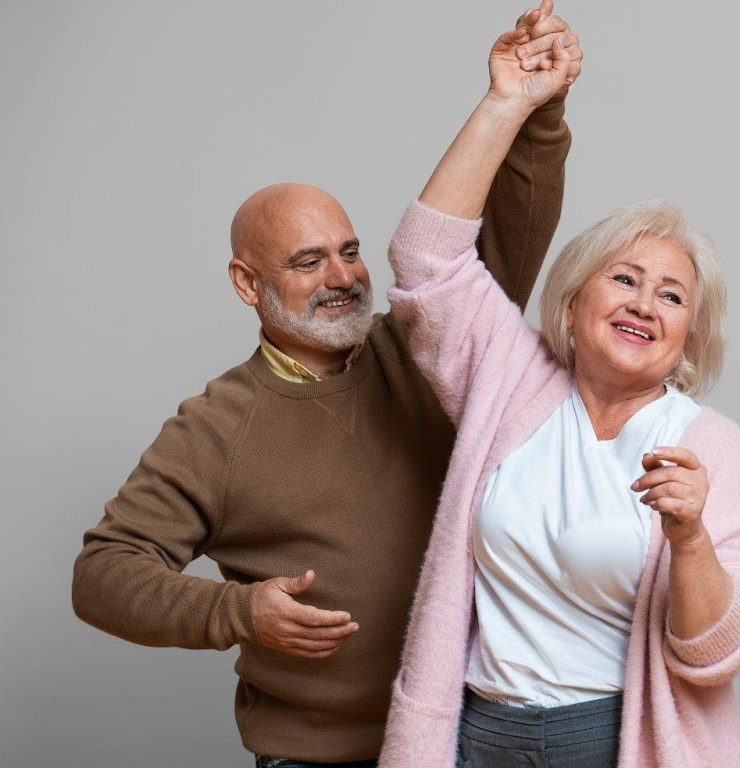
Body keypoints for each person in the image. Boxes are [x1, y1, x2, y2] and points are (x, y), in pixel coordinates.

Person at [70, 7, 583, 765]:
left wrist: (537, 111)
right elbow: (101, 576)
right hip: (315, 755)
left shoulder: (424, 347)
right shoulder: (217, 427)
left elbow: (507, 239)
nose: (342, 277)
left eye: (348, 251)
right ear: (248, 283)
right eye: (308, 262)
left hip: (467, 738)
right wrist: (239, 611)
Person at [373, 20, 740, 768]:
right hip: (477, 736)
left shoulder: (712, 448)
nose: (644, 304)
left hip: (615, 741)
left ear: (689, 335)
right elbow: (425, 259)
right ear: (573, 300)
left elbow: (719, 650)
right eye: (624, 278)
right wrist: (507, 102)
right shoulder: (509, 380)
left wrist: (690, 540)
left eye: (671, 295)